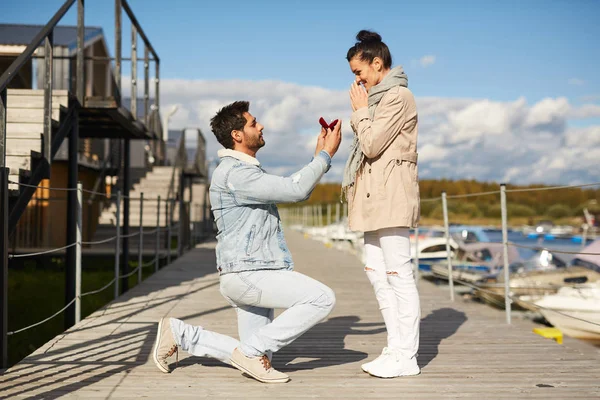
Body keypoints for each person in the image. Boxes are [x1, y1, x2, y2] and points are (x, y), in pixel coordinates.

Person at [152, 101, 342, 384]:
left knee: (258, 356)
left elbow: (292, 187)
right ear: (237, 135)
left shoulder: (244, 172)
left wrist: (317, 156)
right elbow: (295, 189)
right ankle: (249, 352)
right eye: (253, 123)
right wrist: (325, 156)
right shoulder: (235, 174)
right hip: (249, 274)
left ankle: (180, 334)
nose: (261, 125)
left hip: (252, 273)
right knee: (321, 298)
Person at [342, 30, 421, 378]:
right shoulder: (377, 100)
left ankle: (407, 357)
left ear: (377, 63)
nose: (357, 81)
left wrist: (359, 113)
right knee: (377, 275)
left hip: (391, 195)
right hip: (373, 198)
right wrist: (363, 112)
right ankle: (394, 346)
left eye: (359, 72)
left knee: (398, 275)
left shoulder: (398, 96)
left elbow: (372, 144)